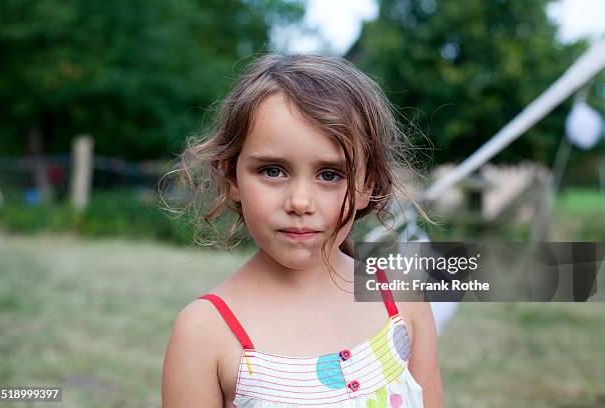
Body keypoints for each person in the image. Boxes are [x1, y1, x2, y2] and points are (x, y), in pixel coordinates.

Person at [162, 54, 443, 407]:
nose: (299, 201)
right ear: (232, 176)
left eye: (330, 175)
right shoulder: (204, 332)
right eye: (273, 171)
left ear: (366, 185)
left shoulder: (402, 299)